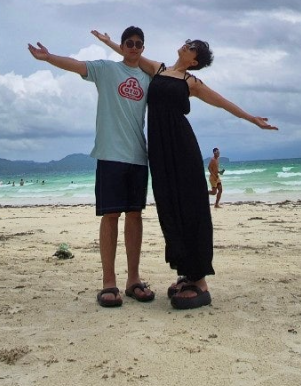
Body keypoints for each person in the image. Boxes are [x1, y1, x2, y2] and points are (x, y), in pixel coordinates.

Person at [97, 34, 277, 310]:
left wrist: (252, 118)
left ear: (194, 61)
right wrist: (110, 42)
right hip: (159, 151)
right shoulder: (158, 69)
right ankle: (186, 274)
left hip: (182, 147)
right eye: (188, 43)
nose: (186, 45)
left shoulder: (191, 82)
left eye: (192, 48)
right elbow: (132, 54)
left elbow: (221, 102)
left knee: (191, 207)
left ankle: (200, 282)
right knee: (169, 209)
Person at [27, 27, 155, 308]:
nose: (134, 48)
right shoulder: (107, 70)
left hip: (138, 156)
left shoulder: (148, 78)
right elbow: (76, 65)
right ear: (122, 46)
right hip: (110, 155)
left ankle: (133, 280)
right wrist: (49, 57)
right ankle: (109, 282)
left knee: (135, 216)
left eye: (139, 44)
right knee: (111, 216)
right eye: (129, 43)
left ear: (143, 48)